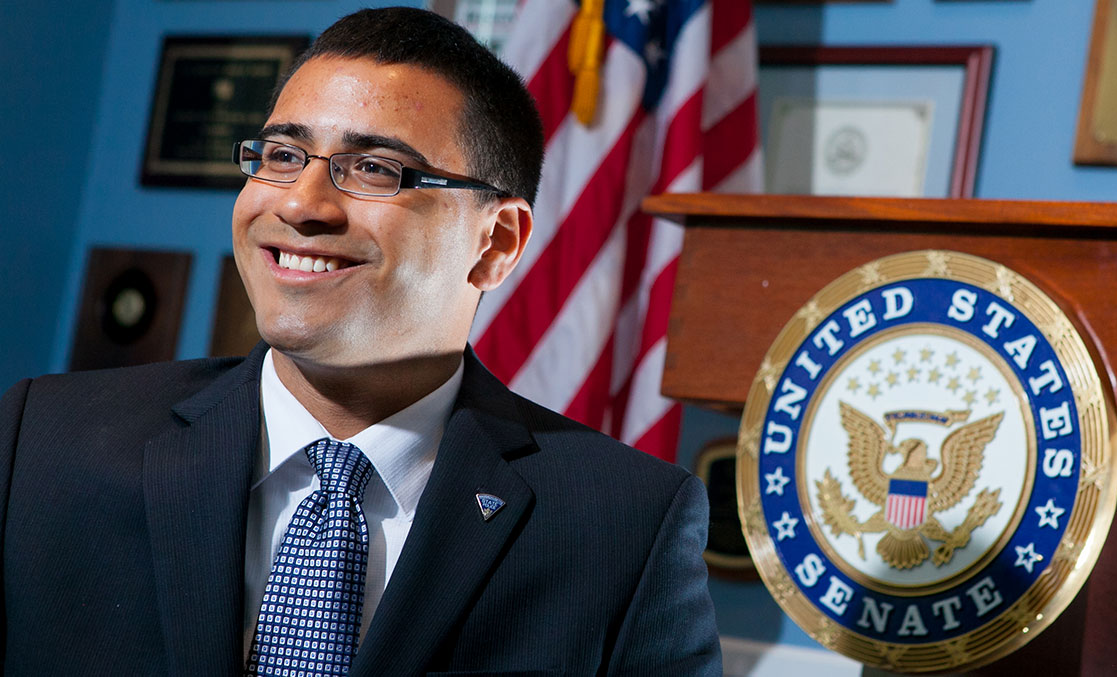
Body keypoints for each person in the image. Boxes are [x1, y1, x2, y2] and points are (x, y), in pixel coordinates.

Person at [0, 7, 720, 676]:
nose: (300, 204)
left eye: (374, 169)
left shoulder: (628, 529)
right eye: (282, 155)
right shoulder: (40, 444)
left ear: (496, 242)